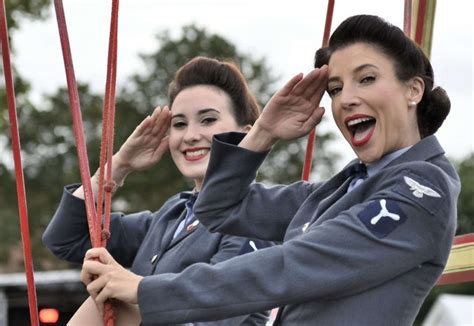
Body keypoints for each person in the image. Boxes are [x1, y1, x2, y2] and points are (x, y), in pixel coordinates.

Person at [79, 15, 460, 325]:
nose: (347, 99)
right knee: (102, 305)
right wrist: (263, 134)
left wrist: (145, 290)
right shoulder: (336, 190)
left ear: (413, 90)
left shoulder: (421, 189)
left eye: (367, 78)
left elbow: (291, 266)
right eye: (335, 88)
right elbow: (216, 208)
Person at [42, 56, 271, 325]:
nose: (190, 136)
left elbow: (215, 317)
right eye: (179, 124)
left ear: (246, 134)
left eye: (208, 120)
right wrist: (119, 165)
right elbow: (65, 239)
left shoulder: (253, 219)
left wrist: (131, 289)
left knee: (111, 296)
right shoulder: (172, 216)